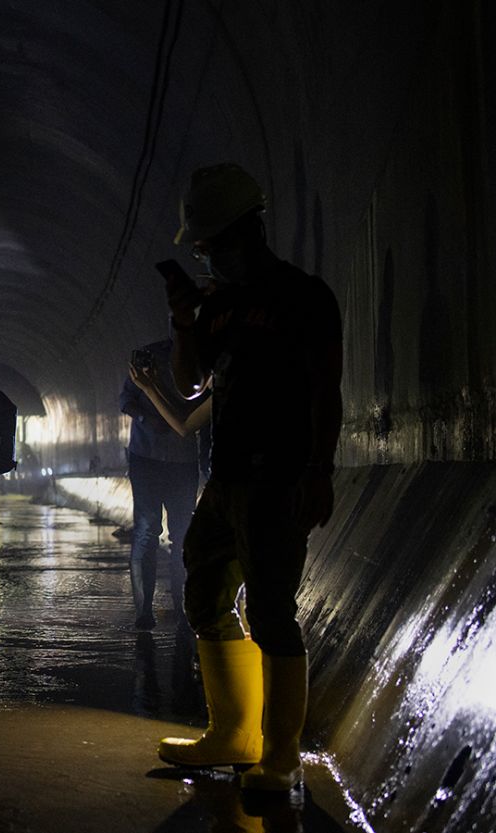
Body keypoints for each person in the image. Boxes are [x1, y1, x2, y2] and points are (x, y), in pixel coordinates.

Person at [154, 164, 343, 793]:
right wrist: (185, 323)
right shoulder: (219, 308)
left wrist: (319, 471)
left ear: (246, 232)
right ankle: (234, 734)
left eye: (209, 245)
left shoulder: (303, 298)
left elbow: (326, 392)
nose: (205, 256)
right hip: (228, 478)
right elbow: (188, 383)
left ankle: (281, 757)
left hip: (279, 479)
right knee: (205, 590)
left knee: (270, 610)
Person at [119, 339, 202, 630]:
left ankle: (184, 608)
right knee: (147, 528)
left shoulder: (202, 359)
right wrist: (145, 417)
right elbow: (125, 400)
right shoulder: (151, 355)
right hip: (147, 456)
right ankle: (144, 612)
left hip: (181, 459)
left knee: (180, 532)